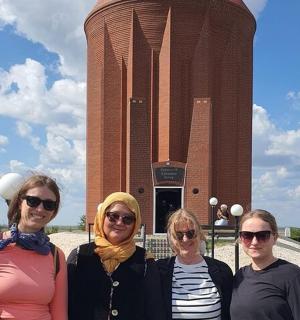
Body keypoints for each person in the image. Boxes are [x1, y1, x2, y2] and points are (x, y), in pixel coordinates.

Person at [67, 191, 165, 320]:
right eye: (113, 216)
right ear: (102, 216)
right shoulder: (80, 255)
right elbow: (65, 303)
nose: (119, 223)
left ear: (135, 224)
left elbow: (154, 309)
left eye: (127, 219)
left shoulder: (145, 261)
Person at [0, 174, 67, 320]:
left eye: (49, 204)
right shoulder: (1, 245)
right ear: (19, 202)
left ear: (53, 212)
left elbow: (59, 313)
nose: (40, 209)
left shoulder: (56, 255)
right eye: (33, 201)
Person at [157, 208, 233, 320]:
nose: (185, 239)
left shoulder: (222, 270)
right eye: (178, 235)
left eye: (190, 233)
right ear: (171, 239)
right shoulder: (159, 270)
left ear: (199, 234)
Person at [230, 209, 300, 320]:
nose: (254, 242)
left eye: (263, 235)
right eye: (247, 235)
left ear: (275, 238)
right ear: (241, 238)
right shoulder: (240, 275)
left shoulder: (292, 275)